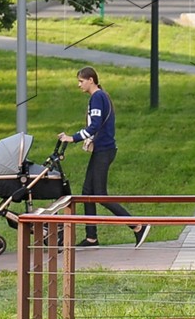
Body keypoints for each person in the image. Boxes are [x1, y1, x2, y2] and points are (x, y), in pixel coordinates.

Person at [59, 67, 148, 247]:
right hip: (102, 150)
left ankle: (138, 226)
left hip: (104, 150)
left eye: (81, 81)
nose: (79, 85)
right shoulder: (99, 97)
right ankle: (92, 237)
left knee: (99, 194)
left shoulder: (97, 97)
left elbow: (95, 126)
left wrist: (73, 138)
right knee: (87, 192)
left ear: (91, 80)